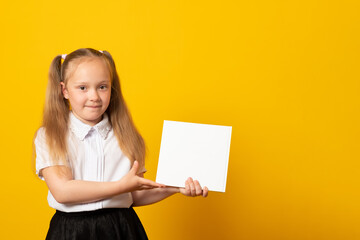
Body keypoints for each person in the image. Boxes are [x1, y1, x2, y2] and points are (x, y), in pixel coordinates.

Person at [34, 48, 208, 240]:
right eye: (82, 88)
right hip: (72, 232)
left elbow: (134, 195)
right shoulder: (50, 135)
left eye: (102, 87)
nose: (94, 96)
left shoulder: (126, 135)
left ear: (111, 88)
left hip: (121, 229)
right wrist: (121, 186)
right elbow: (63, 191)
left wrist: (176, 189)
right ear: (64, 90)